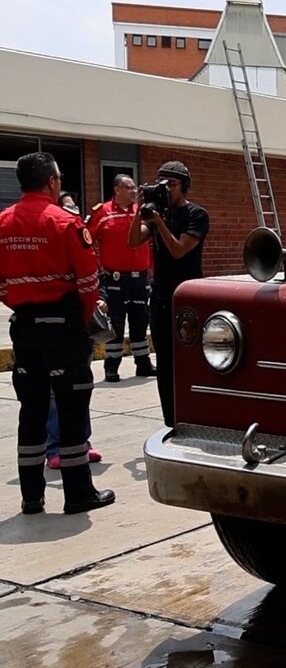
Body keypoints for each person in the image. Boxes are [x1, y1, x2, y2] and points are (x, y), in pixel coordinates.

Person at [0, 152, 116, 514]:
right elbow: (87, 282)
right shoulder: (65, 222)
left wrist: (22, 304)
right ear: (51, 181)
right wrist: (81, 322)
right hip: (63, 329)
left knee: (31, 410)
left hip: (25, 330)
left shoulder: (2, 223)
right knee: (71, 409)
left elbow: (2, 286)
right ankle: (78, 493)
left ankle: (31, 496)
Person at [129, 161, 208, 427]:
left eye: (171, 185)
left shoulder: (197, 215)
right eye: (162, 184)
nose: (166, 190)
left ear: (184, 186)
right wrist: (139, 213)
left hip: (188, 298)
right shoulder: (156, 214)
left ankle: (193, 417)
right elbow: (132, 241)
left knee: (190, 361)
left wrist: (159, 222)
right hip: (161, 297)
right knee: (164, 362)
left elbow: (178, 250)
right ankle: (170, 421)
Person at [45, 191, 104, 470]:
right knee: (55, 393)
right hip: (62, 320)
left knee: (81, 387)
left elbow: (89, 272)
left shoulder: (76, 233)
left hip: (76, 320)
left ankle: (82, 442)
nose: (73, 211)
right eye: (67, 207)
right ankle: (55, 447)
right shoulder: (56, 235)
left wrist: (95, 301)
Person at [91, 173, 154, 382]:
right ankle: (112, 367)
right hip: (115, 280)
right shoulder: (103, 212)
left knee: (140, 321)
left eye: (135, 188)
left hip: (140, 279)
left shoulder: (143, 212)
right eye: (129, 188)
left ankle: (143, 364)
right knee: (116, 323)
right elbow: (86, 242)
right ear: (117, 190)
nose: (134, 191)